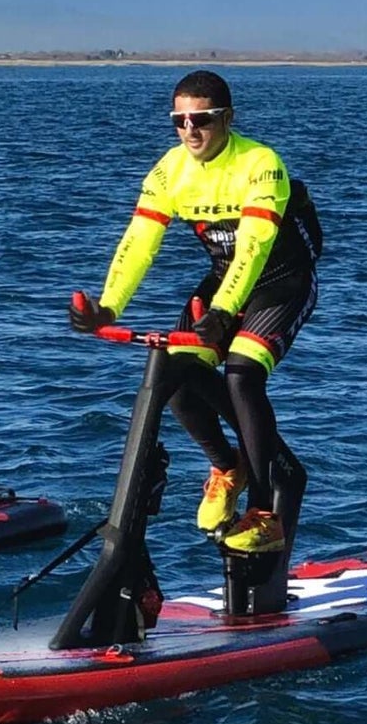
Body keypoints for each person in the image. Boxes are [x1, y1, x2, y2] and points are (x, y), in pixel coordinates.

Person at [69, 70, 319, 555]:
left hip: (281, 281)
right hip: (226, 277)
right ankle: (229, 467)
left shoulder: (261, 163)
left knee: (242, 374)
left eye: (201, 119)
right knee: (177, 377)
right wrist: (108, 307)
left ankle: (265, 511)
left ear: (227, 118)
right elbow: (139, 242)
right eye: (179, 121)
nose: (190, 131)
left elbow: (255, 245)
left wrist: (225, 311)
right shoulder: (169, 171)